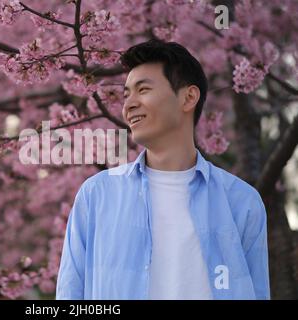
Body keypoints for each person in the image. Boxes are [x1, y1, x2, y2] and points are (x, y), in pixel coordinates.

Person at [56, 39, 270, 300]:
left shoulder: (241, 201)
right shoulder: (96, 195)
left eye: (143, 89)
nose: (129, 104)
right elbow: (70, 294)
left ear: (188, 97)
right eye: (126, 94)